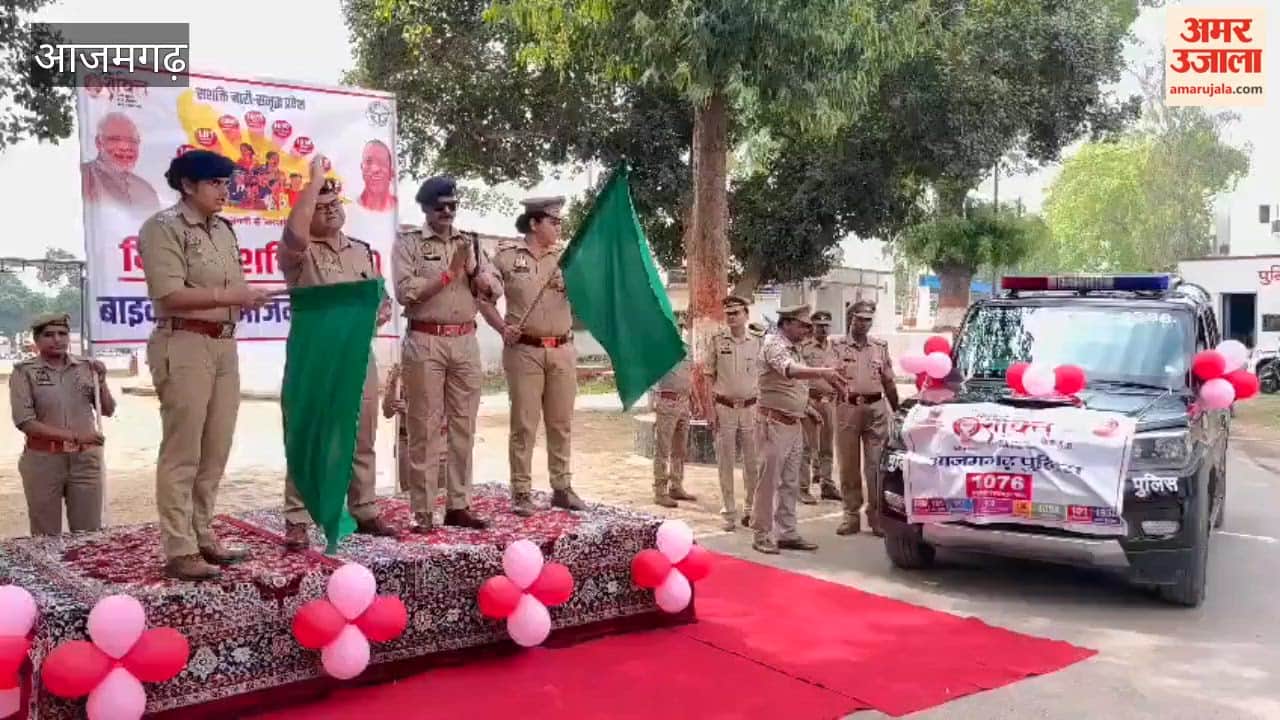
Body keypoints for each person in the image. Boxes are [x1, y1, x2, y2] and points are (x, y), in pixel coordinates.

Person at [138, 149, 272, 580]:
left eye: (226, 182)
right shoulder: (162, 228)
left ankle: (202, 534)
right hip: (184, 342)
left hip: (223, 346)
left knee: (215, 448)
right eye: (215, 183)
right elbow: (169, 294)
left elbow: (230, 287)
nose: (224, 190)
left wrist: (246, 297)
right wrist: (233, 297)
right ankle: (179, 548)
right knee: (183, 451)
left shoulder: (224, 230)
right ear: (187, 186)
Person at [277, 156, 395, 550]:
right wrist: (312, 184)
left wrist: (380, 310)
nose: (330, 212)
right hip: (315, 357)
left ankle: (364, 507)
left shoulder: (360, 251)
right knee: (308, 432)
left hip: (358, 357)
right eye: (321, 207)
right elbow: (294, 237)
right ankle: (297, 518)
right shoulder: (299, 252)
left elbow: (381, 297)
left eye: (335, 205)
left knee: (362, 433)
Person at [392, 175, 500, 532]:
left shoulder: (470, 242)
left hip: (465, 339)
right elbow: (405, 292)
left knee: (464, 426)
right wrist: (447, 273)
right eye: (441, 207)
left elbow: (491, 286)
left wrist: (477, 276)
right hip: (426, 339)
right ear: (426, 208)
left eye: (453, 206)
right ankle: (422, 511)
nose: (448, 213)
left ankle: (458, 504)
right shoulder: (409, 243)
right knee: (424, 426)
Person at [484, 196, 589, 517]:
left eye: (560, 222)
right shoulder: (505, 257)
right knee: (524, 425)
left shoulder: (568, 259)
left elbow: (587, 306)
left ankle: (562, 486)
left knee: (561, 423)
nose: (559, 227)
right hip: (524, 351)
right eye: (553, 221)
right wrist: (502, 328)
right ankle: (521, 491)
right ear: (534, 223)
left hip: (562, 349)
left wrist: (575, 286)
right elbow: (483, 299)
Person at [8, 313, 115, 535]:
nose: (57, 339)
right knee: (46, 535)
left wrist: (102, 381)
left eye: (62, 334)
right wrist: (75, 436)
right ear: (36, 341)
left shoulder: (87, 367)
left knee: (88, 534)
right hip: (43, 461)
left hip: (85, 461)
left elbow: (107, 410)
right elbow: (25, 422)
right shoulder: (24, 372)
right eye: (49, 335)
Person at [751, 305, 846, 555]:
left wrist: (806, 408)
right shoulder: (774, 344)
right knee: (768, 482)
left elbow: (793, 388)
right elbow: (789, 371)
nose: (808, 330)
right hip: (773, 423)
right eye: (803, 325)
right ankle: (762, 533)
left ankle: (786, 532)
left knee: (790, 482)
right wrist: (823, 372)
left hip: (792, 423)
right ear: (787, 323)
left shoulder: (795, 348)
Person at [830, 300, 901, 537]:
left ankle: (876, 515)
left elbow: (889, 381)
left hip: (876, 409)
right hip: (848, 408)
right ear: (850, 319)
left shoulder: (879, 347)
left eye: (868, 319)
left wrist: (898, 409)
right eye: (860, 319)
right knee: (849, 464)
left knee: (875, 466)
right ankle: (850, 515)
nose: (864, 324)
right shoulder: (837, 346)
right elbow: (827, 377)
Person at [700, 295, 762, 532]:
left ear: (746, 315)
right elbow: (708, 376)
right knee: (725, 461)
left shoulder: (757, 342)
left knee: (752, 462)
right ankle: (729, 513)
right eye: (728, 313)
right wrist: (708, 409)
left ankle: (751, 509)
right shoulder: (717, 341)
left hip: (751, 408)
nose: (732, 317)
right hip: (724, 408)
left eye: (736, 313)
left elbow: (763, 377)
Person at [650, 312, 700, 509]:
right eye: (675, 326)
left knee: (680, 448)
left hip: (684, 402)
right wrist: (655, 398)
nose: (678, 329)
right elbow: (650, 376)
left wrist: (696, 399)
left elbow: (691, 377)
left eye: (680, 326)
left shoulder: (687, 350)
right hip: (667, 401)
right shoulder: (661, 350)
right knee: (663, 448)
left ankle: (676, 485)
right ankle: (660, 491)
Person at [799, 310, 842, 504]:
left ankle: (827, 484)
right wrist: (804, 402)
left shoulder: (836, 349)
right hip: (810, 401)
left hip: (830, 402)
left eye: (826, 325)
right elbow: (798, 377)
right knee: (807, 447)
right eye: (819, 325)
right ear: (812, 327)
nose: (823, 329)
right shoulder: (804, 349)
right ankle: (802, 487)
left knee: (827, 446)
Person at [80, 112, 160, 211]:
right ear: (99, 142)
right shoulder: (80, 178)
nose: (125, 147)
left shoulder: (146, 192)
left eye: (132, 140)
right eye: (115, 139)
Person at [358, 140, 396, 212]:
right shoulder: (350, 207)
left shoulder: (402, 209)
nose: (375, 169)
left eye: (382, 162)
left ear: (391, 172)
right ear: (361, 167)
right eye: (368, 162)